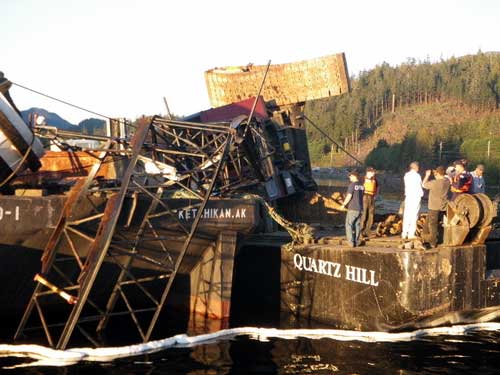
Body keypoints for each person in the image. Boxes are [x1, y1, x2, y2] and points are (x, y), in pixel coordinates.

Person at [422, 166, 450, 248]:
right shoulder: (447, 181)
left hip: (434, 207)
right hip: (443, 206)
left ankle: (433, 242)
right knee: (427, 224)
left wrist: (427, 175)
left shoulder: (435, 183)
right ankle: (425, 239)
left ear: (437, 173)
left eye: (435, 173)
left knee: (432, 225)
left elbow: (424, 185)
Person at [340, 170, 365, 247]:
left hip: (353, 208)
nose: (349, 177)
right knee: (357, 225)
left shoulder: (352, 185)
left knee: (349, 224)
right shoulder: (362, 186)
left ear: (354, 176)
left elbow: (349, 196)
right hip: (360, 208)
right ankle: (357, 241)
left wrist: (343, 204)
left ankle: (351, 242)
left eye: (350, 176)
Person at [402, 161, 423, 240]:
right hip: (416, 196)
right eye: (418, 167)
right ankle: (411, 233)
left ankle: (404, 233)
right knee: (414, 215)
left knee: (407, 214)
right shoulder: (417, 176)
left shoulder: (406, 175)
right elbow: (420, 185)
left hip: (408, 196)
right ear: (416, 167)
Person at [360, 167, 379, 238]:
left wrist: (376, 195)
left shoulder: (375, 180)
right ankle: (361, 230)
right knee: (364, 214)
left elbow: (377, 187)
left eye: (374, 172)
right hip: (364, 196)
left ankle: (367, 231)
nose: (374, 173)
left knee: (371, 214)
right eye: (372, 172)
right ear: (368, 172)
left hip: (372, 197)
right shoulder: (363, 179)